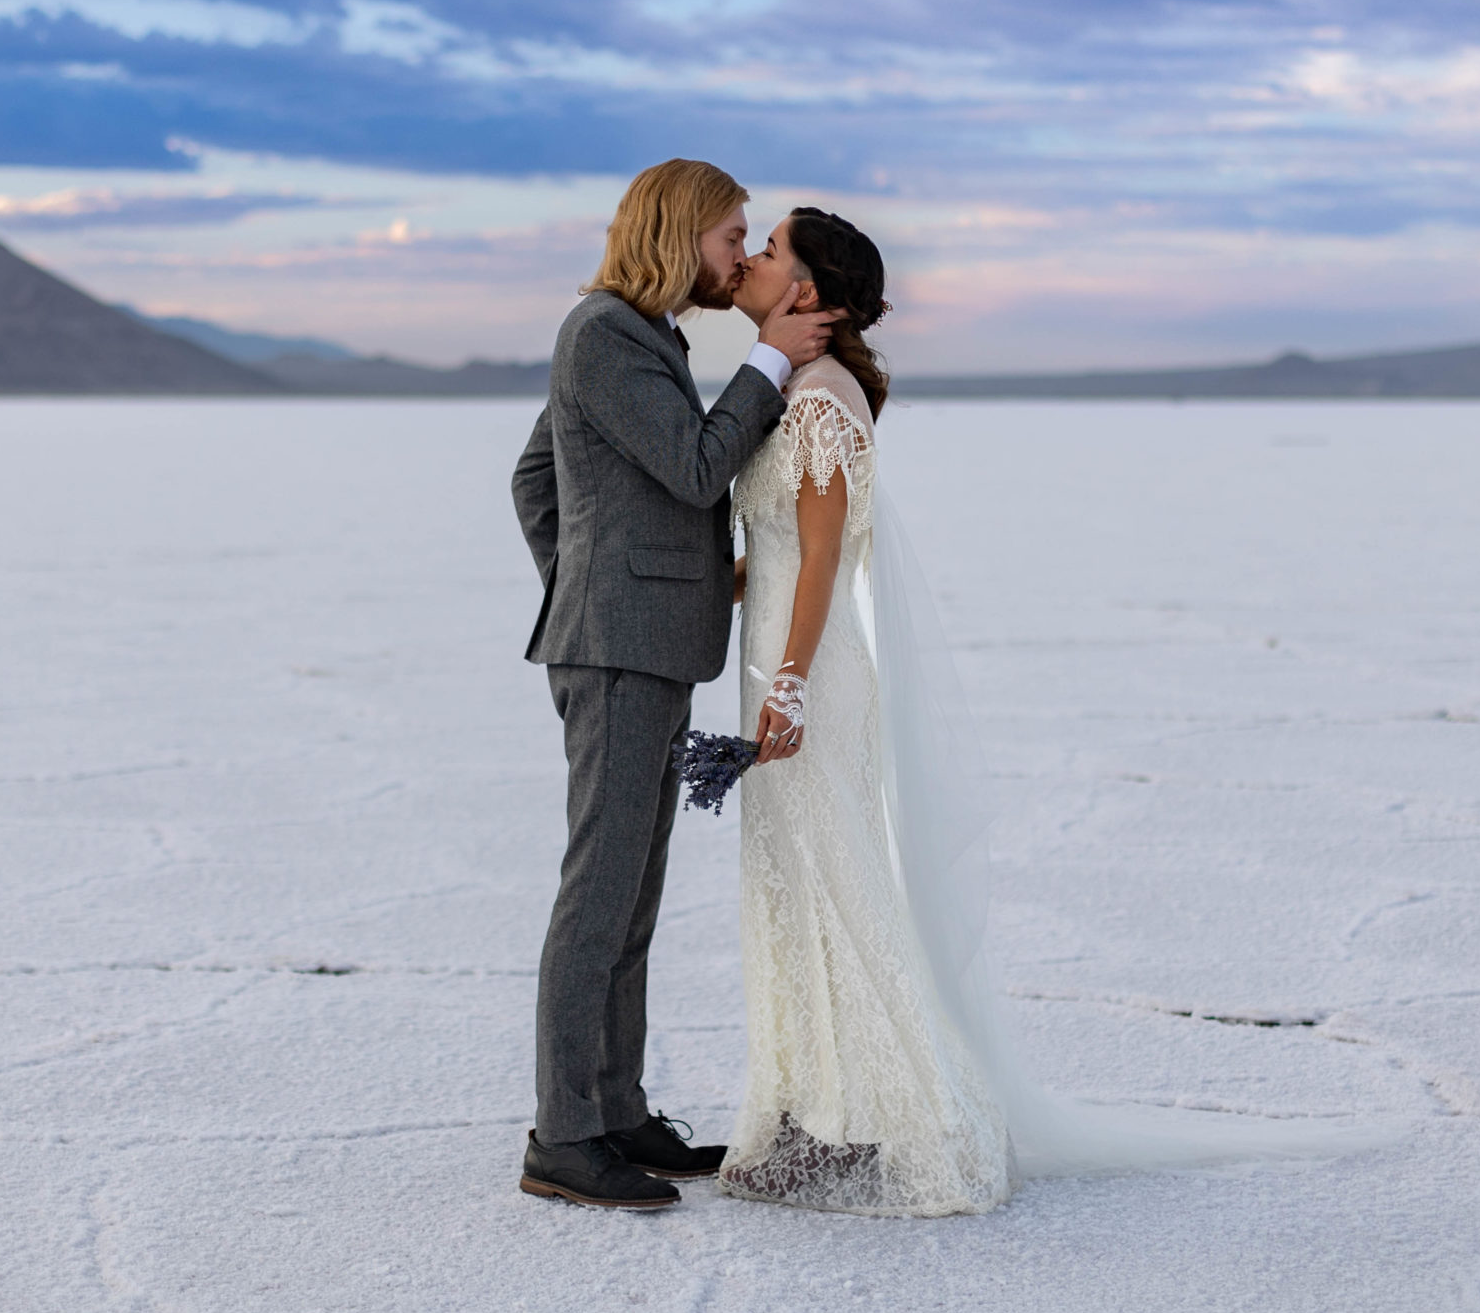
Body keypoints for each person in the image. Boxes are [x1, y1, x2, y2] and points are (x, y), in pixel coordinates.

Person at [715, 208, 1389, 1215]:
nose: (756, 261)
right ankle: (823, 1117)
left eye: (770, 251)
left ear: (807, 293)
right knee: (799, 897)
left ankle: (915, 1130)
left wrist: (791, 687)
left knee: (836, 897)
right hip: (782, 662)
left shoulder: (816, 397)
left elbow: (820, 555)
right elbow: (775, 552)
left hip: (803, 680)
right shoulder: (805, 387)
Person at [508, 160, 840, 1211]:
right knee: (598, 893)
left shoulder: (639, 337)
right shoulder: (603, 333)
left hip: (636, 637)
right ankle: (563, 1137)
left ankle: (614, 1111)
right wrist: (771, 363)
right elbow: (698, 471)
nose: (740, 258)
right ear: (680, 229)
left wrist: (631, 572)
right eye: (731, 237)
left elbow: (534, 478)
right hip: (616, 650)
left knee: (630, 893)